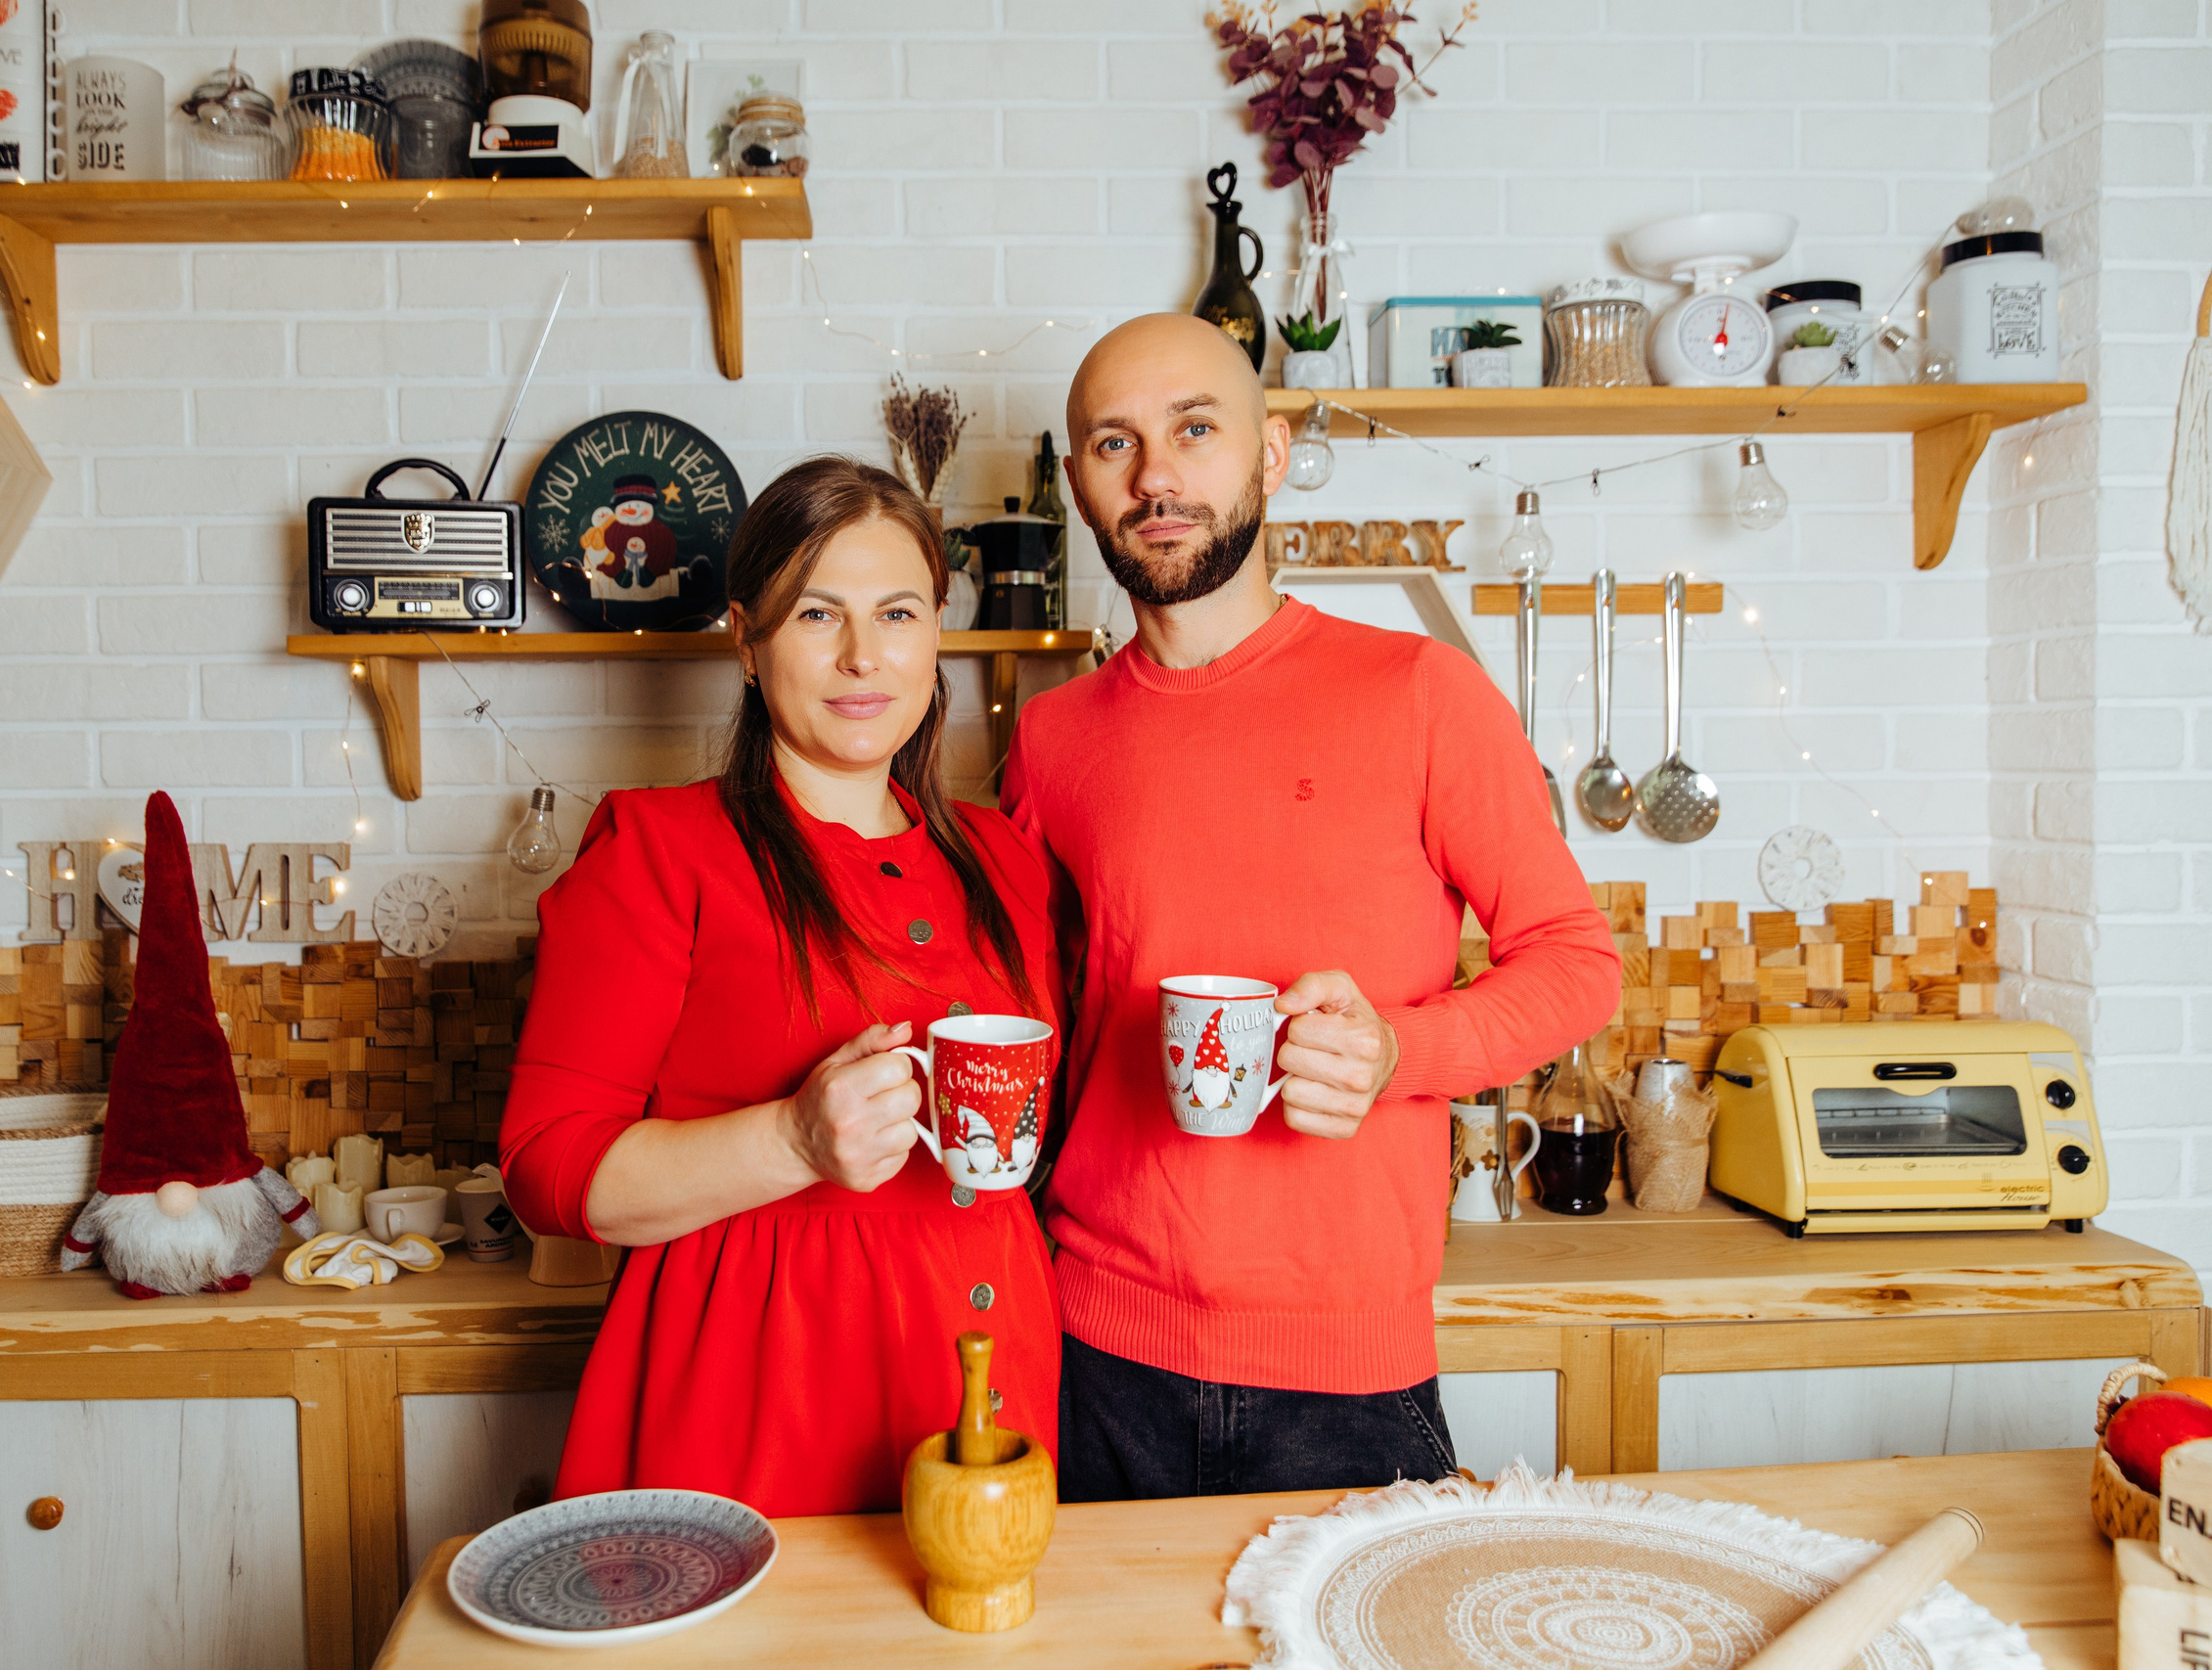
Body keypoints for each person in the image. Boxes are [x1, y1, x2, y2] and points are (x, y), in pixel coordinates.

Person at [1002, 313, 1623, 1502]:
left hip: (1348, 1382)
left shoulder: (1421, 693)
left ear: (1271, 454)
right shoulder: (1051, 740)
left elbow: (1576, 962)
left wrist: (1402, 1048)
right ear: (1078, 478)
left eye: (1195, 429)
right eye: (1113, 444)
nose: (1157, 478)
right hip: (1094, 1354)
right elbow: (1034, 1019)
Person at [499, 456, 1065, 1518]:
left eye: (896, 612)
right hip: (759, 1398)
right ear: (748, 643)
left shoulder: (1008, 865)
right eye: (816, 614)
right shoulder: (659, 852)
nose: (863, 656)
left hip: (993, 1383)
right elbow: (546, 1166)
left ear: (936, 629)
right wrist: (792, 1143)